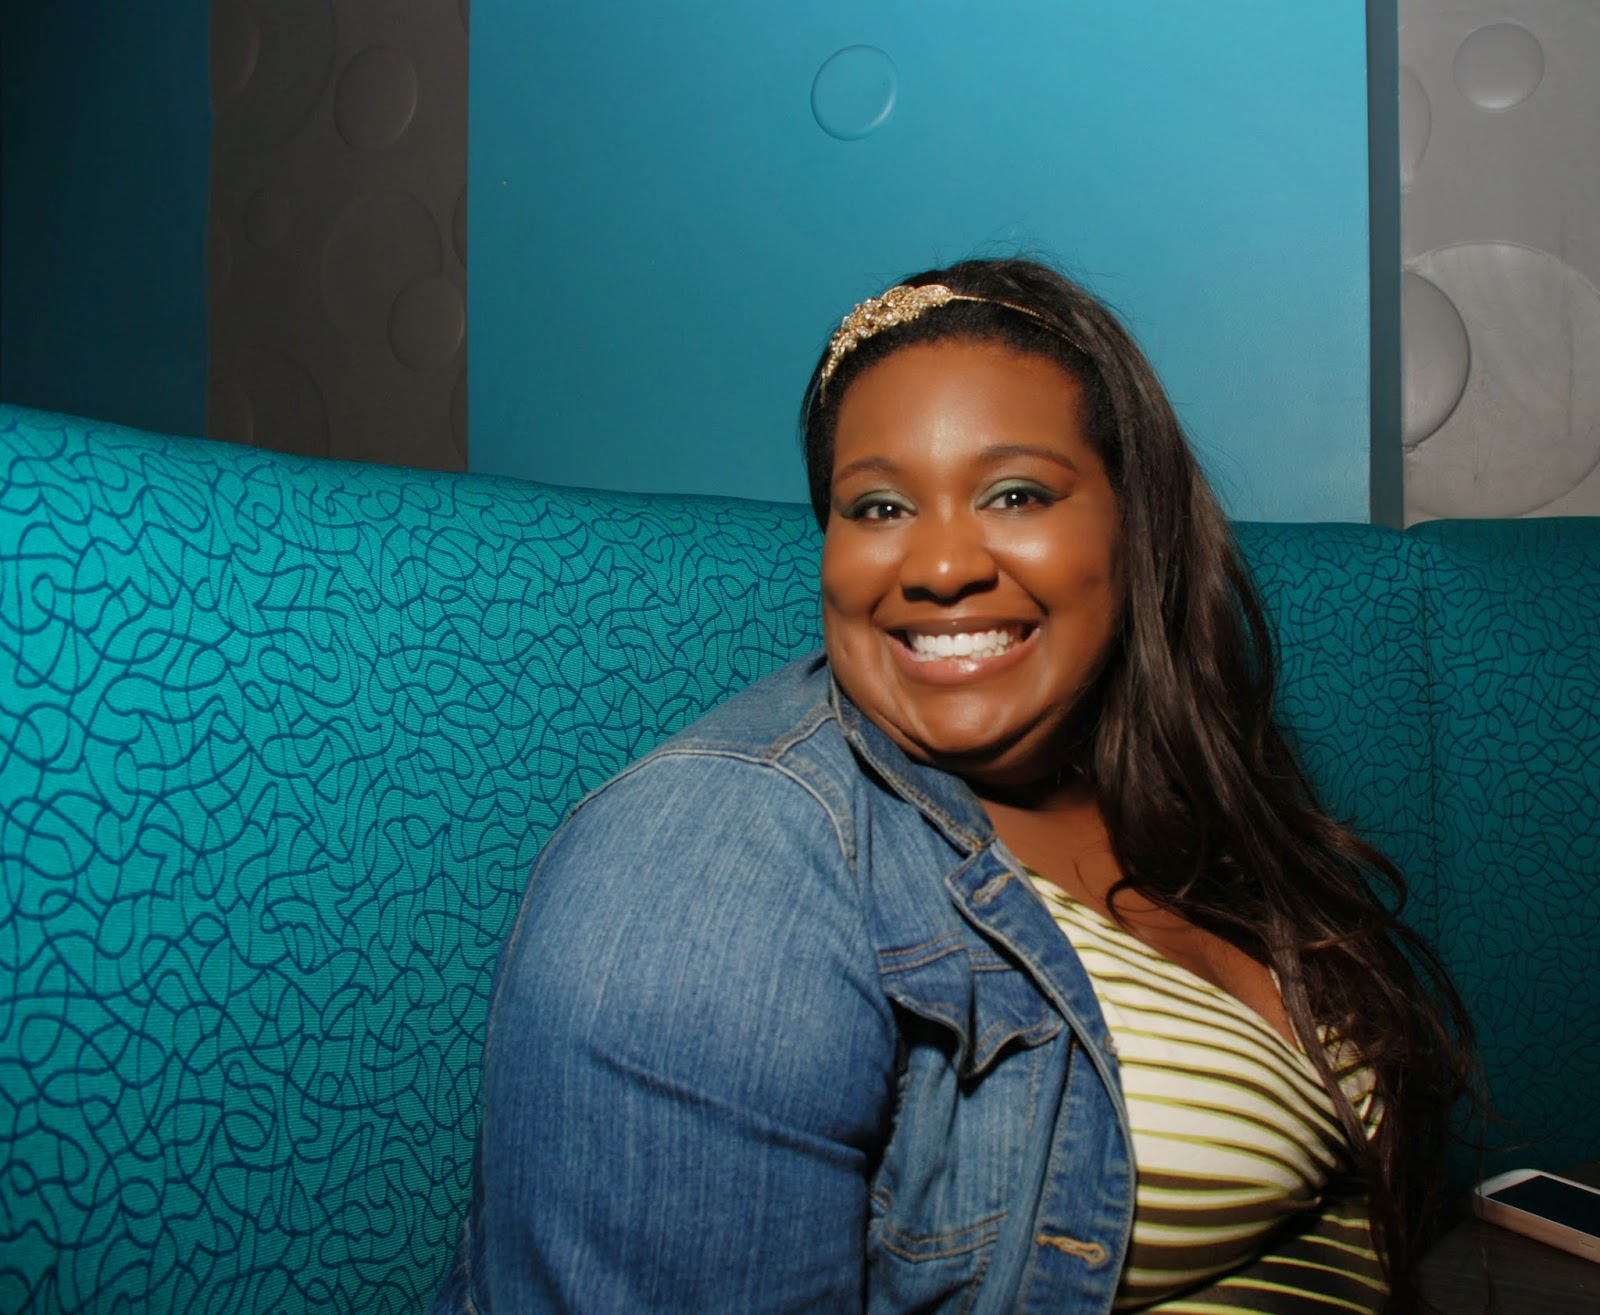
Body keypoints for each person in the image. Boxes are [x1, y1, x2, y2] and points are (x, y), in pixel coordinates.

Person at [434, 258, 1472, 1313]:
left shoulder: (1166, 796)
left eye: (1015, 493)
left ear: (1136, 525)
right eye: (878, 505)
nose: (937, 566)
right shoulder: (712, 862)